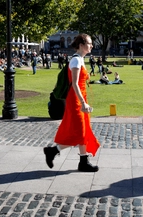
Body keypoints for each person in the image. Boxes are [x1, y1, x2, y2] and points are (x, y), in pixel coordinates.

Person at [43, 33, 100, 172]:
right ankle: (53, 151)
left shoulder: (80, 59)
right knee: (80, 132)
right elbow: (74, 84)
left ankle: (83, 161)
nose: (92, 45)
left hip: (80, 98)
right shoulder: (76, 60)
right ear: (81, 45)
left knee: (83, 130)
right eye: (89, 43)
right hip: (76, 100)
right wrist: (83, 103)